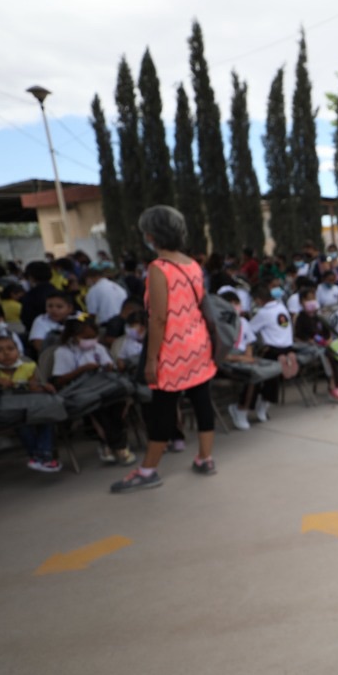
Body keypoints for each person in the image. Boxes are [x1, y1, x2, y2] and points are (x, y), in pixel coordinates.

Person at [111, 206, 217, 492]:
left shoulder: (159, 269)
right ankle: (205, 458)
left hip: (173, 351)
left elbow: (158, 319)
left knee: (162, 410)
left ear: (151, 235)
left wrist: (152, 360)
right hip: (198, 344)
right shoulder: (191, 264)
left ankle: (148, 471)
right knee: (201, 400)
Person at [53, 315, 136, 467]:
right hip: (83, 391)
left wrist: (108, 367)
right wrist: (82, 369)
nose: (91, 340)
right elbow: (59, 380)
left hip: (105, 385)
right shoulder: (63, 352)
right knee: (101, 409)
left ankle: (111, 445)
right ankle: (118, 446)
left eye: (93, 336)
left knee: (118, 404)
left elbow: (109, 365)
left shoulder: (98, 348)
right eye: (86, 337)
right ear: (73, 336)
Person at [0, 334, 60, 472]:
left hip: (29, 404)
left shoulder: (28, 366)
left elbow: (34, 388)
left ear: (18, 351)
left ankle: (41, 455)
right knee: (22, 422)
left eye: (10, 348)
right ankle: (41, 456)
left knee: (47, 416)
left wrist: (44, 387)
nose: (6, 353)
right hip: (6, 409)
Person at [246, 277, 301, 420]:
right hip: (288, 349)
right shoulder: (281, 307)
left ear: (257, 300)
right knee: (272, 382)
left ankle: (246, 407)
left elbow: (249, 329)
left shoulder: (263, 313)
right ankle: (263, 408)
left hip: (272, 351)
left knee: (254, 377)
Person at [28, 291, 74, 356]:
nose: (54, 310)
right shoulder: (41, 320)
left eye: (59, 307)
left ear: (70, 308)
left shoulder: (79, 317)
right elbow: (38, 345)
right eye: (50, 306)